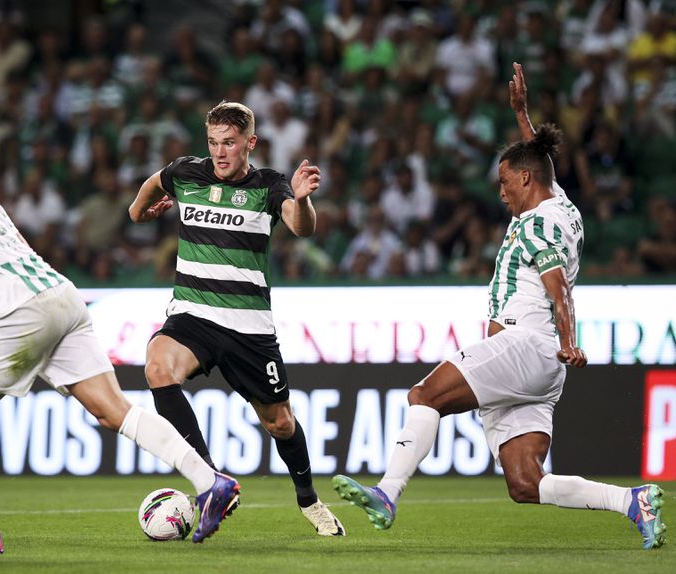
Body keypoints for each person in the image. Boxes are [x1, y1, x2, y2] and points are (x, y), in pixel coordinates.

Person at [332, 63, 666, 550]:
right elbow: (538, 160)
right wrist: (522, 114)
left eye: (506, 181)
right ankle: (632, 501)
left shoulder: (537, 224)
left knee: (424, 396)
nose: (501, 191)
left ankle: (388, 492)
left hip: (524, 345)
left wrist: (570, 341)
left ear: (526, 179)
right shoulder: (562, 206)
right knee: (525, 483)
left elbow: (559, 288)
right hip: (540, 367)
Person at [0, 117, 240, 552]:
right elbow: (6, 243)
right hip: (59, 294)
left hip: (17, 310)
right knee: (114, 410)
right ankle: (209, 481)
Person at [128, 101, 345, 536]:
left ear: (250, 143)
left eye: (229, 143)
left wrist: (302, 200)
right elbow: (150, 188)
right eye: (213, 142)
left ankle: (309, 501)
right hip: (193, 315)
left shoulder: (269, 185)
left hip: (249, 328)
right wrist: (141, 210)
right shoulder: (187, 173)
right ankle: (210, 482)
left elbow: (300, 226)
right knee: (157, 367)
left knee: (280, 422)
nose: (219, 152)